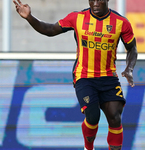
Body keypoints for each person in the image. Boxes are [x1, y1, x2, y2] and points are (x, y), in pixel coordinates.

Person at [13, 0, 138, 149]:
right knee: (92, 116)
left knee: (115, 117)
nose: (96, 3)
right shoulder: (77, 18)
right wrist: (30, 17)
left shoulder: (121, 22)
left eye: (100, 0)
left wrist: (129, 69)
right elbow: (50, 29)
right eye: (93, 0)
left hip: (109, 77)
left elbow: (132, 48)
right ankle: (88, 147)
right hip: (84, 76)